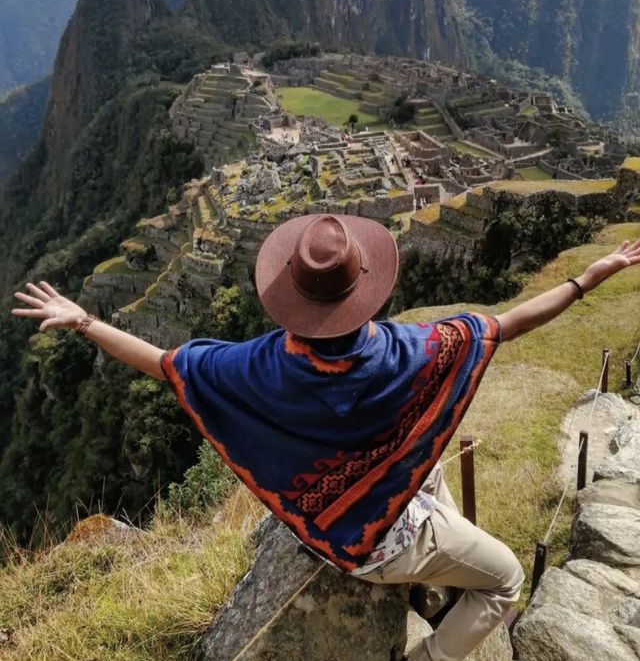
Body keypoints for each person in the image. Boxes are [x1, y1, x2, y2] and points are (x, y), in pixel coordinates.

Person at [11, 215, 640, 661]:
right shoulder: (407, 352)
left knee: (430, 467)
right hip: (376, 550)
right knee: (505, 580)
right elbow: (504, 325)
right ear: (362, 291)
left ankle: (428, 581)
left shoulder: (256, 367)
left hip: (313, 528)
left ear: (291, 295)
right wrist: (588, 278)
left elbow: (165, 362)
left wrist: (87, 320)